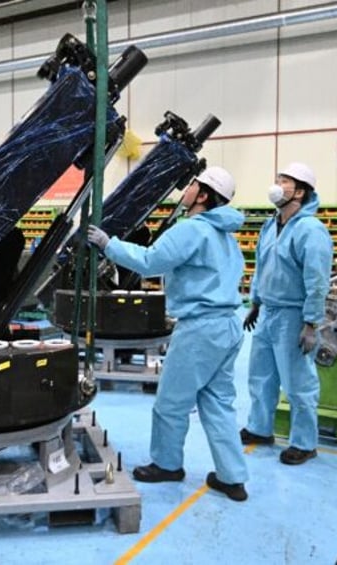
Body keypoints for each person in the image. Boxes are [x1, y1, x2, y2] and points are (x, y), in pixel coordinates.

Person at [87, 166, 249, 501]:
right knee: (218, 403)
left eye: (192, 185)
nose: (185, 189)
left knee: (171, 403)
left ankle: (167, 464)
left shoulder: (193, 229)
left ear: (203, 195)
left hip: (200, 329)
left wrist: (108, 244)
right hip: (228, 325)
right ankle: (233, 477)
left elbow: (150, 261)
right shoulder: (225, 234)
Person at [240, 162, 333, 465]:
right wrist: (254, 302)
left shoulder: (310, 229)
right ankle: (259, 428)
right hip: (268, 313)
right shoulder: (271, 224)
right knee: (261, 377)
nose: (277, 184)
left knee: (298, 383)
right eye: (278, 178)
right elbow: (262, 267)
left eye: (285, 180)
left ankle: (305, 443)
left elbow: (317, 280)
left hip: (294, 316)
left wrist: (311, 323)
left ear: (301, 191)